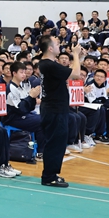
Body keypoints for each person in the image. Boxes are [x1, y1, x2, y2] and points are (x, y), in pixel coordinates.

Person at [37, 35, 81, 188]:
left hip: (55, 108)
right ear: (50, 48)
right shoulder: (49, 65)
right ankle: (49, 176)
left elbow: (68, 75)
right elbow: (76, 74)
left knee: (58, 142)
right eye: (56, 44)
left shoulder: (48, 64)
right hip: (53, 109)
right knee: (55, 143)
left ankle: (52, 174)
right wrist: (75, 54)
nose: (59, 45)